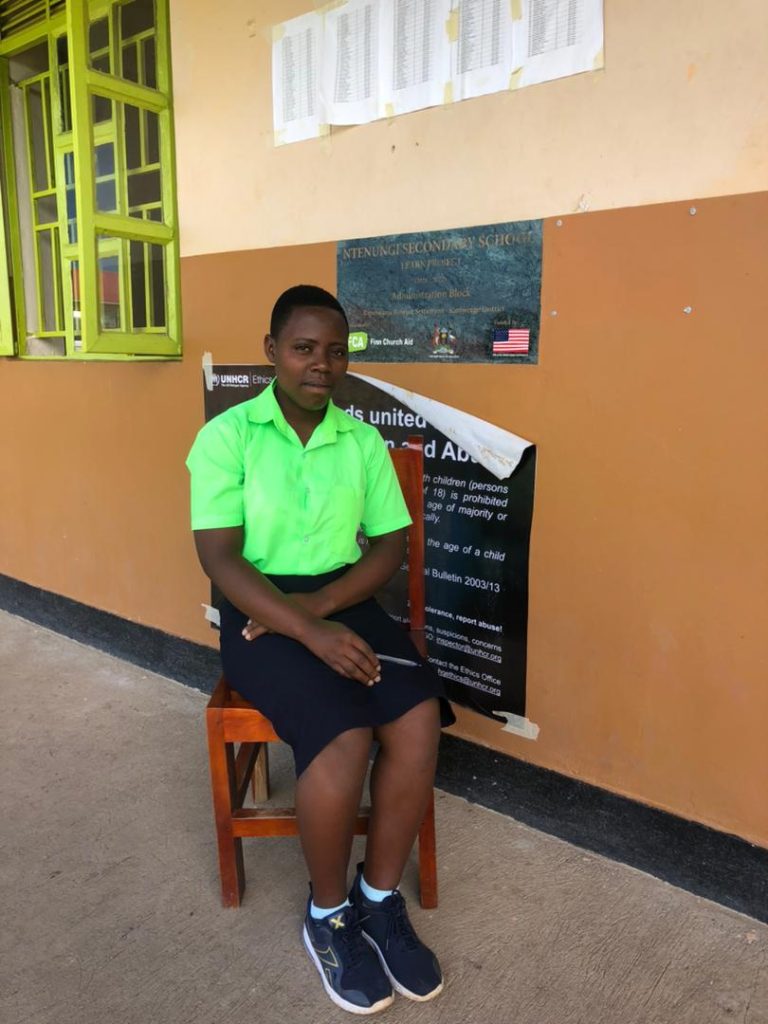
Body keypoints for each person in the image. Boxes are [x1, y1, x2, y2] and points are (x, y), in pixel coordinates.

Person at [186, 284, 455, 1015]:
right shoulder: (228, 437)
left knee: (418, 718)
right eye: (304, 348)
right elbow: (221, 560)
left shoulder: (358, 440)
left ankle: (377, 900)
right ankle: (329, 915)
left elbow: (388, 547)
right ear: (273, 350)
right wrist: (301, 627)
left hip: (342, 600)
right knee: (342, 735)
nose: (321, 364)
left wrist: (322, 612)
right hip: (256, 612)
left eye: (336, 350)